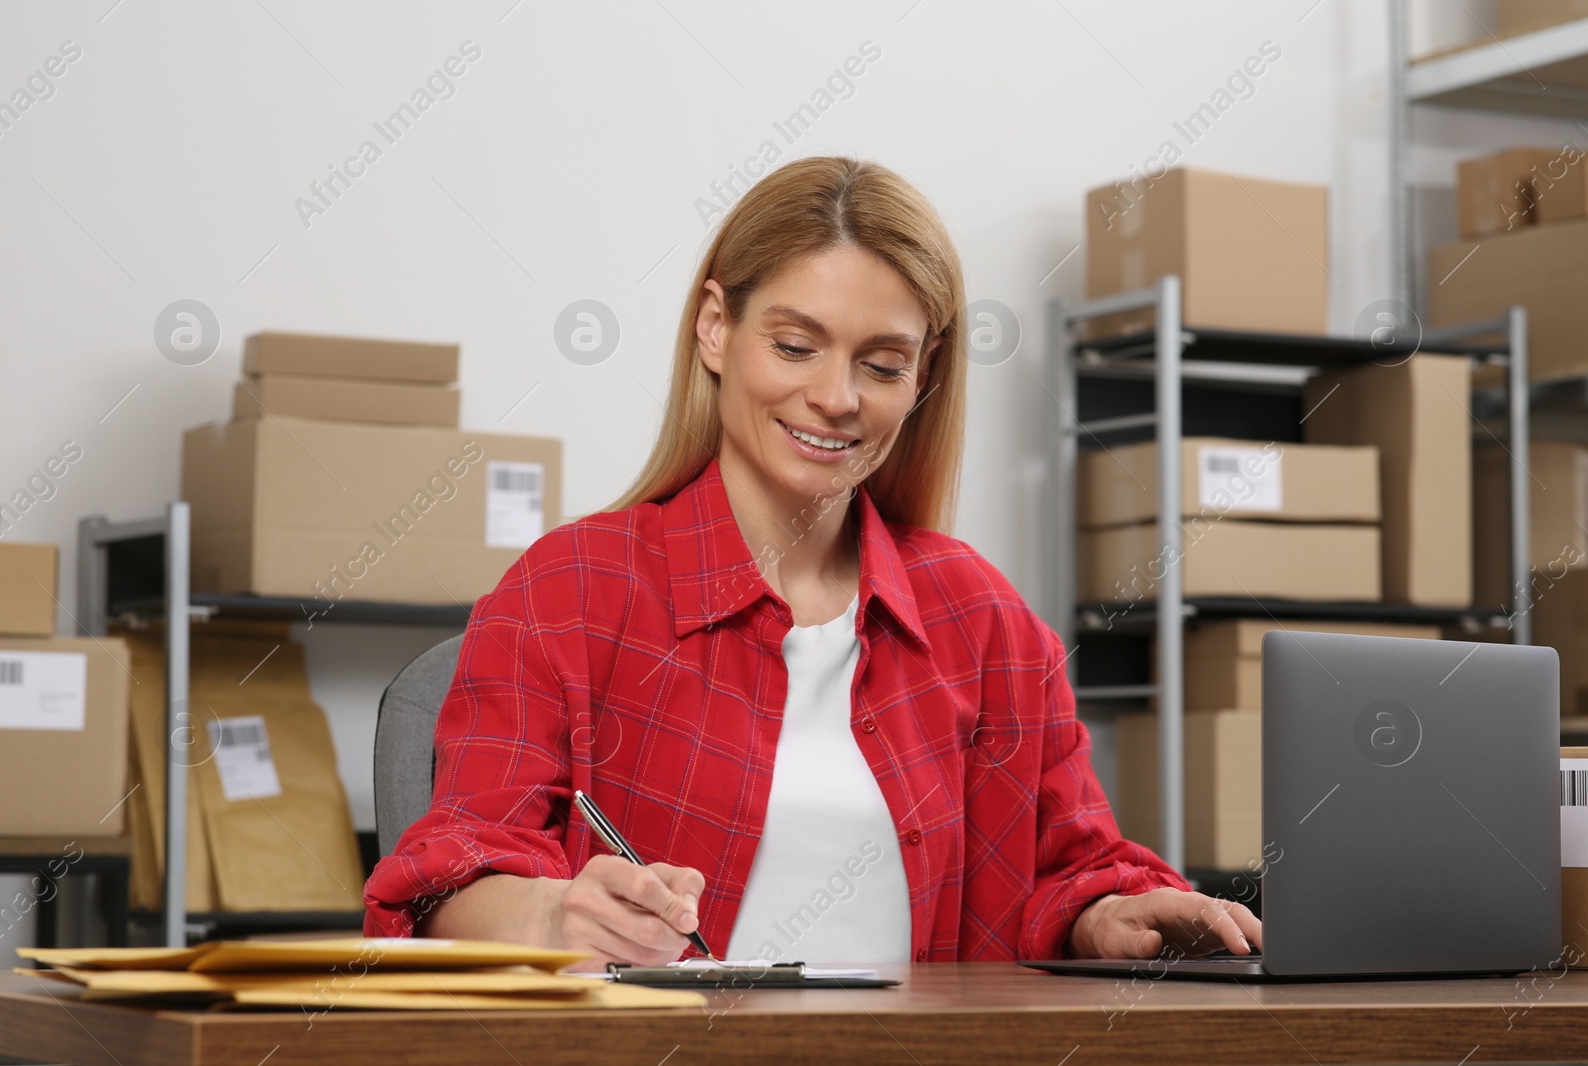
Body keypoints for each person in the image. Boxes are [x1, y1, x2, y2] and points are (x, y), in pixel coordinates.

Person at [363, 155, 1262, 968]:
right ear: (715, 328)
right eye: (795, 346)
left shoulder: (982, 619)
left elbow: (1066, 869)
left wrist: (1107, 916)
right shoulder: (569, 589)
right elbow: (446, 882)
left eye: (881, 364)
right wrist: (554, 915)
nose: (835, 398)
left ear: (924, 377)